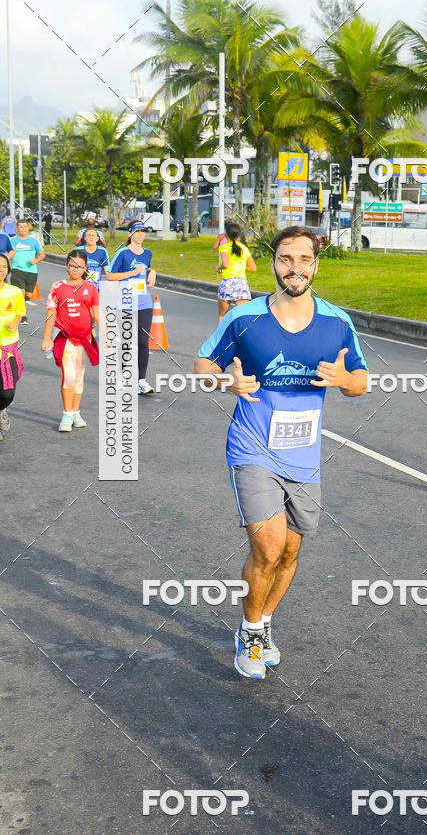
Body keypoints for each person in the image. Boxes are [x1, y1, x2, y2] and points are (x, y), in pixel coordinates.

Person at [194, 225, 369, 679]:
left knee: (291, 551)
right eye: (286, 259)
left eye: (304, 259)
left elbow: (362, 381)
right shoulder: (244, 318)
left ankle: (263, 622)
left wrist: (344, 380)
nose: (295, 268)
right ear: (272, 262)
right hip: (252, 447)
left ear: (315, 263)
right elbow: (201, 365)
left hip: (305, 456)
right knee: (268, 548)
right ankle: (250, 632)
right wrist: (225, 381)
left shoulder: (336, 322)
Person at [42, 250, 99, 432]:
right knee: (69, 376)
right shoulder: (57, 286)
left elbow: (96, 313)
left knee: (80, 378)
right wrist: (46, 337)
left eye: (80, 266)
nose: (76, 269)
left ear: (85, 268)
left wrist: (107, 334)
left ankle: (75, 412)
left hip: (85, 338)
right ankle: (67, 414)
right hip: (65, 338)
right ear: (67, 265)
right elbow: (50, 312)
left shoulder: (91, 288)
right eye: (72, 265)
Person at [106, 221, 156, 395]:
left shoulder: (148, 253)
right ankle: (119, 376)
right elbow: (110, 275)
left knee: (143, 342)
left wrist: (152, 272)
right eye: (137, 232)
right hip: (126, 300)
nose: (141, 235)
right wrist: (133, 273)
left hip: (144, 301)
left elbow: (147, 269)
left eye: (143, 232)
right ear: (130, 234)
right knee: (126, 341)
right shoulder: (123, 253)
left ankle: (141, 380)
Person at [0, 254, 25, 439]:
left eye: (3, 266)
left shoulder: (14, 291)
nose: (1, 269)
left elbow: (19, 312)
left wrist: (16, 321)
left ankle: (1, 408)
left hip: (8, 347)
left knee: (8, 392)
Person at [216, 221, 257, 322]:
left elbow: (225, 264)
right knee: (244, 316)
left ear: (227, 235)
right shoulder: (244, 248)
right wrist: (241, 266)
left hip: (227, 283)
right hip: (241, 285)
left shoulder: (224, 247)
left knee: (222, 316)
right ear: (238, 234)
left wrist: (219, 267)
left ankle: (221, 337)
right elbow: (253, 268)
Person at [9, 218, 46, 325]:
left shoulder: (34, 241)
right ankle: (22, 315)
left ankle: (18, 305)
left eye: (25, 227)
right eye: (21, 227)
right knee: (21, 293)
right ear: (17, 228)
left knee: (28, 295)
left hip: (31, 271)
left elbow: (42, 254)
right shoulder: (12, 240)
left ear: (28, 228)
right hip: (17, 270)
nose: (23, 229)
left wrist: (36, 260)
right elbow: (8, 254)